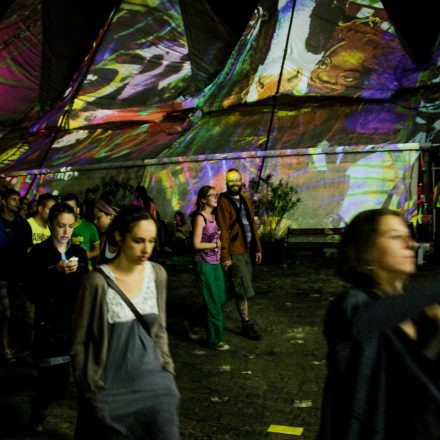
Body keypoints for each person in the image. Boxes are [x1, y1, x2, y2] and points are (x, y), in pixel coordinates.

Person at [317, 208, 440, 440]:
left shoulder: (423, 315)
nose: (409, 243)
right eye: (395, 237)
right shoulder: (353, 305)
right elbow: (360, 324)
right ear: (366, 251)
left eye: (408, 235)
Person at [71, 205, 180, 440]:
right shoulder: (96, 283)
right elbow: (79, 343)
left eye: (151, 241)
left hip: (155, 391)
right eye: (139, 240)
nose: (146, 249)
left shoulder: (157, 274)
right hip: (110, 393)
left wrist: (168, 374)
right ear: (120, 236)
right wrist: (91, 389)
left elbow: (159, 330)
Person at [25, 202, 88, 433]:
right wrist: (54, 272)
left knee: (84, 386)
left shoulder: (79, 253)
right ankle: (38, 406)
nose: (66, 232)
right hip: (50, 328)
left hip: (77, 326)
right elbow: (30, 291)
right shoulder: (39, 253)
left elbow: (84, 286)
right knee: (57, 385)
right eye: (61, 225)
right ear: (51, 223)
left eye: (71, 226)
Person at [216, 169, 263, 340]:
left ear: (241, 181)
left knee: (235, 288)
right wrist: (225, 256)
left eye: (237, 180)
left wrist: (257, 248)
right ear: (226, 183)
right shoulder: (223, 201)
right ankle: (246, 324)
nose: (234, 183)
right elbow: (222, 230)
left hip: (246, 250)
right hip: (234, 252)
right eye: (231, 180)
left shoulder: (244, 199)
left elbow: (251, 224)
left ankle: (204, 312)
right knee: (242, 288)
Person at [192, 186, 229, 350]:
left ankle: (192, 320)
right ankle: (216, 340)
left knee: (220, 298)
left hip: (215, 264)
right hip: (204, 264)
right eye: (212, 195)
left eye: (216, 195)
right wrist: (215, 245)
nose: (215, 197)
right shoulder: (200, 218)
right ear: (203, 199)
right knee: (214, 301)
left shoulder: (214, 216)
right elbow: (196, 244)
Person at [0, 188, 33, 362]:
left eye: (17, 199)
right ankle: (5, 347)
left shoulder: (22, 223)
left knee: (19, 313)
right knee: (5, 314)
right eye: (13, 199)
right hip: (3, 275)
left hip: (19, 275)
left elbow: (28, 247)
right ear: (4, 201)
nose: (16, 202)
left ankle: (18, 346)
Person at [62, 193, 100, 269]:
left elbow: (98, 249)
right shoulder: (59, 229)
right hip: (66, 268)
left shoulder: (89, 227)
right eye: (66, 208)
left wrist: (88, 255)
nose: (69, 211)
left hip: (85, 268)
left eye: (72, 208)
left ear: (78, 210)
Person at [93, 198, 119, 264]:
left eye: (98, 217)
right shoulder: (104, 238)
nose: (95, 222)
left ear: (111, 216)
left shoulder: (124, 239)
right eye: (95, 218)